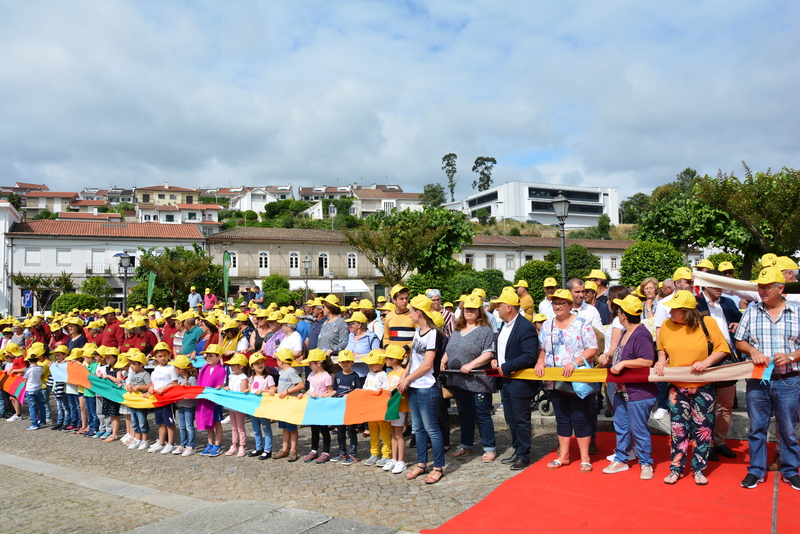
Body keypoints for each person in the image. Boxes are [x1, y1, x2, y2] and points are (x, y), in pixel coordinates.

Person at [734, 266, 800, 490]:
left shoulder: (797, 312)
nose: (761, 291)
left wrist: (791, 356)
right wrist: (751, 351)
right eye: (759, 287)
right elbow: (739, 341)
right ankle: (756, 470)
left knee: (789, 429)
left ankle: (790, 471)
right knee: (757, 428)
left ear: (780, 288)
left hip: (789, 380)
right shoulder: (752, 311)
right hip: (758, 380)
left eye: (766, 287)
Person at [656, 290, 729, 486]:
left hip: (703, 387)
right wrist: (661, 361)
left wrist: (706, 362)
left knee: (702, 430)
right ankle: (676, 469)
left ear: (687, 311)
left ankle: (698, 469)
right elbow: (661, 348)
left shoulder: (708, 323)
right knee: (678, 430)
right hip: (677, 389)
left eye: (675, 309)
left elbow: (723, 348)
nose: (670, 311)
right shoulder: (666, 325)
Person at [536, 288, 598, 473]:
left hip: (577, 378)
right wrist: (540, 361)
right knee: (561, 418)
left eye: (561, 303)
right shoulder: (547, 325)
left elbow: (592, 348)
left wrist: (574, 362)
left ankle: (585, 457)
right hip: (554, 379)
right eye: (555, 303)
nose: (557, 306)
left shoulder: (582, 323)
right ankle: (563, 455)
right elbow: (542, 348)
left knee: (580, 417)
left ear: (570, 305)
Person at [602, 295, 658, 479]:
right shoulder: (628, 332)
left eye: (619, 311)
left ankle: (645, 462)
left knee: (639, 429)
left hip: (638, 392)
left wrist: (624, 363)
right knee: (622, 427)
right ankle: (621, 458)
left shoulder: (640, 333)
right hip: (622, 390)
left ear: (623, 315)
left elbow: (648, 360)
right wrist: (610, 358)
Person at [442, 293, 497, 463]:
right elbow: (450, 349)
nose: (469, 312)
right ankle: (466, 445)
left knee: (481, 414)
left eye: (473, 309)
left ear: (479, 311)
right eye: (467, 309)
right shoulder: (458, 330)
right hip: (458, 380)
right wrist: (444, 360)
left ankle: (489, 447)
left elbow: (488, 352)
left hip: (478, 381)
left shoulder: (484, 330)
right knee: (464, 413)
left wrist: (471, 365)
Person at [695, 272, 743, 462]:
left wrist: (739, 323)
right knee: (705, 405)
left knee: (725, 405)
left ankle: (719, 441)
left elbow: (741, 322)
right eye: (715, 284)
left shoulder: (729, 303)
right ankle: (705, 444)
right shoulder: (695, 304)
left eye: (721, 284)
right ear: (704, 285)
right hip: (703, 361)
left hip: (727, 359)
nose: (719, 287)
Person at [399, 294, 446, 484]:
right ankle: (421, 464)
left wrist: (408, 378)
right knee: (418, 428)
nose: (409, 315)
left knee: (431, 429)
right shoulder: (417, 332)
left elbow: (427, 365)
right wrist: (404, 376)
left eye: (411, 311)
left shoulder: (433, 334)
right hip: (414, 386)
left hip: (426, 388)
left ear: (419, 313)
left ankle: (438, 467)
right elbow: (413, 359)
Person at [652, 267, 695, 420]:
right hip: (669, 347)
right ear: (677, 282)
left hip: (692, 350)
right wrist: (661, 354)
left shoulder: (696, 300)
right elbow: (659, 329)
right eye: (688, 281)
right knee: (664, 375)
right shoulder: (664, 304)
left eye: (692, 281)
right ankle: (663, 405)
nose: (691, 284)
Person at [301, 349, 335, 464]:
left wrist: (319, 395)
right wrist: (303, 395)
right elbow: (311, 390)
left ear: (318, 363)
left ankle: (326, 452)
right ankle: (314, 449)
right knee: (314, 429)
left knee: (324, 429)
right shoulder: (311, 375)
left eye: (310, 363)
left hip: (322, 406)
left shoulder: (326, 376)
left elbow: (330, 392)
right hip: (313, 406)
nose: (308, 365)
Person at [145, 346, 179, 454]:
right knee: (160, 422)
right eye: (160, 356)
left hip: (167, 399)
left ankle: (170, 443)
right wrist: (149, 391)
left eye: (165, 355)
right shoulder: (156, 369)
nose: (163, 358)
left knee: (169, 422)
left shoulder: (171, 368)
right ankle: (161, 442)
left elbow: (175, 384)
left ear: (169, 355)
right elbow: (153, 384)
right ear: (155, 357)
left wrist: (164, 388)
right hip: (158, 399)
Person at [273, 348, 304, 462]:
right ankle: (284, 449)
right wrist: (274, 389)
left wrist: (287, 392)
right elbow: (283, 386)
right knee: (284, 428)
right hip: (283, 405)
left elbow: (301, 385)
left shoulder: (291, 371)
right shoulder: (283, 373)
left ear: (281, 360)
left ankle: (293, 451)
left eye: (277, 359)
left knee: (292, 429)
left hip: (290, 404)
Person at [362, 349, 392, 468]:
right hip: (370, 407)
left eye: (373, 363)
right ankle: (374, 452)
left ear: (381, 363)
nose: (369, 365)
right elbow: (365, 387)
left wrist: (381, 391)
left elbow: (386, 390)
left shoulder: (384, 375)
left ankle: (386, 453)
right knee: (373, 432)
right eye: (369, 363)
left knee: (384, 431)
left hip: (379, 408)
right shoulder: (369, 374)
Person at [196, 344, 226, 458]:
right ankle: (210, 443)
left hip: (215, 401)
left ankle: (217, 445)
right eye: (207, 356)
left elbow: (220, 384)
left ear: (218, 357)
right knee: (208, 423)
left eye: (211, 356)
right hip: (206, 399)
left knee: (216, 423)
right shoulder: (205, 369)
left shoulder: (221, 370)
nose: (208, 358)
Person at [247, 353, 276, 460]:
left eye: (261, 362)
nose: (260, 365)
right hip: (253, 407)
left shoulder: (268, 377)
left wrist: (263, 391)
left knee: (266, 428)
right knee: (255, 429)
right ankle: (258, 448)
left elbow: (273, 390)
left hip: (263, 407)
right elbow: (249, 390)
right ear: (252, 366)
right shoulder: (251, 378)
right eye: (257, 363)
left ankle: (267, 450)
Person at [169, 355, 198, 457]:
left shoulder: (192, 378)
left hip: (189, 405)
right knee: (181, 426)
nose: (174, 369)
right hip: (181, 404)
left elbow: (194, 391)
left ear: (180, 369)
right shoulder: (180, 378)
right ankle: (183, 444)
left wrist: (187, 388)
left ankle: (191, 446)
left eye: (175, 367)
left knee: (189, 426)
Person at [223, 353, 249, 457]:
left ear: (241, 366)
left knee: (240, 426)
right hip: (231, 403)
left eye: (233, 365)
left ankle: (242, 445)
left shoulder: (243, 378)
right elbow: (228, 387)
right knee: (233, 426)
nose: (231, 366)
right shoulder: (231, 376)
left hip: (239, 404)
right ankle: (234, 444)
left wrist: (230, 391)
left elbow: (242, 392)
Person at [125, 351, 152, 451]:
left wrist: (139, 387)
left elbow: (149, 386)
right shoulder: (133, 374)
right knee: (135, 422)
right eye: (130, 363)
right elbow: (131, 383)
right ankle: (137, 439)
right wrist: (129, 386)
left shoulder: (145, 374)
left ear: (141, 364)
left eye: (134, 364)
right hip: (133, 402)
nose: (131, 366)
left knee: (142, 421)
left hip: (141, 402)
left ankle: (145, 440)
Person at [24, 350, 46, 430]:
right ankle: (43, 421)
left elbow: (25, 379)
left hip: (30, 389)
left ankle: (34, 423)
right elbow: (42, 375)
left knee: (32, 407)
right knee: (41, 405)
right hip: (39, 388)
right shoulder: (41, 368)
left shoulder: (28, 370)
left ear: (28, 360)